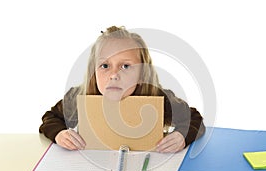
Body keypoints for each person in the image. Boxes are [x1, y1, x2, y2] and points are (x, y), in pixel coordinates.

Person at [39, 26, 205, 153]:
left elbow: (193, 118)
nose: (113, 75)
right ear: (93, 72)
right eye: (105, 65)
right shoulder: (79, 97)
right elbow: (50, 118)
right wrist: (59, 134)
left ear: (141, 73)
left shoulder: (157, 97)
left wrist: (182, 136)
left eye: (125, 66)